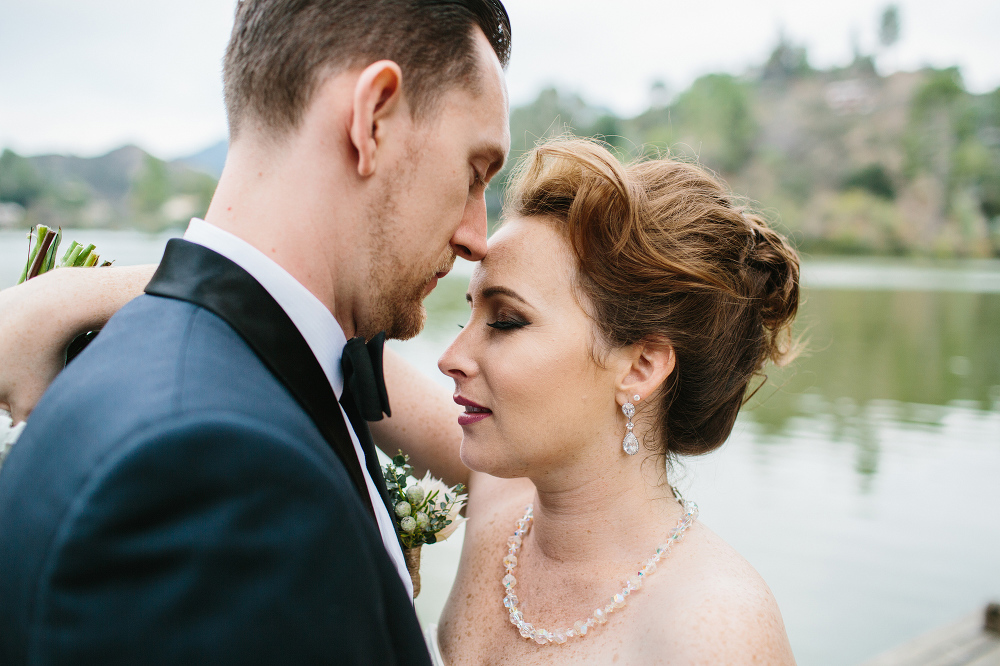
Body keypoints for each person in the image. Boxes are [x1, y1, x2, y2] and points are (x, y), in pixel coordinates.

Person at [0, 136, 800, 663]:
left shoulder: (716, 626)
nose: (453, 358)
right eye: (470, 311)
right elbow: (301, 325)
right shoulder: (500, 496)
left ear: (641, 367)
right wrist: (69, 296)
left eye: (508, 321)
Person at [0, 0, 511, 663]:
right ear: (373, 117)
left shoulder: (261, 372)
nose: (478, 236)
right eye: (474, 174)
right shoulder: (210, 471)